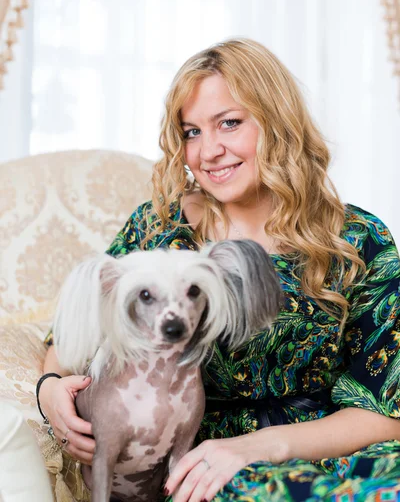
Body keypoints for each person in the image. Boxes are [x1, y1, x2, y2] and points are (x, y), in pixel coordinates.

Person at [38, 38, 400, 502]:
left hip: (331, 450)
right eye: (191, 132)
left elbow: (385, 406)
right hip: (199, 467)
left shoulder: (357, 240)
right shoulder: (160, 228)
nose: (208, 151)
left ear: (277, 122)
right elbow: (68, 335)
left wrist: (258, 447)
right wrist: (50, 393)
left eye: (229, 124)